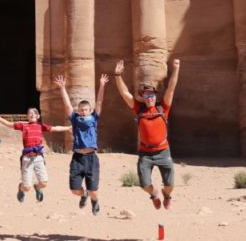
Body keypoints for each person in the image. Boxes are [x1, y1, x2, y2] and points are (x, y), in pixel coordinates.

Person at [113, 58, 181, 210]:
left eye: (151, 95)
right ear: (143, 97)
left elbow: (171, 88)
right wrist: (117, 76)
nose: (149, 97)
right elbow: (125, 93)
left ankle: (166, 195)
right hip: (145, 153)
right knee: (144, 185)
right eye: (146, 95)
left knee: (170, 185)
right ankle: (154, 194)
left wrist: (176, 69)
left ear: (155, 96)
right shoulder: (139, 109)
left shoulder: (163, 109)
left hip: (163, 151)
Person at [54, 72, 108, 215]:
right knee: (74, 190)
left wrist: (102, 85)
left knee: (93, 191)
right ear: (78, 111)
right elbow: (67, 105)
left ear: (90, 111)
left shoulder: (94, 118)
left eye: (85, 110)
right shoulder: (75, 119)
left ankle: (94, 201)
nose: (83, 112)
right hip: (77, 158)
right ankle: (83, 196)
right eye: (81, 110)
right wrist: (62, 88)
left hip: (91, 158)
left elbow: (99, 102)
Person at [0, 105, 70, 202]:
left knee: (44, 183)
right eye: (30, 113)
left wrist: (68, 128)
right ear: (27, 116)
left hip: (38, 158)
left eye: (35, 113)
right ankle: (21, 188)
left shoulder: (41, 126)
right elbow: (9, 124)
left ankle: (37, 187)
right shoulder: (24, 126)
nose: (32, 114)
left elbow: (55, 128)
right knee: (27, 187)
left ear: (38, 116)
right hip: (27, 159)